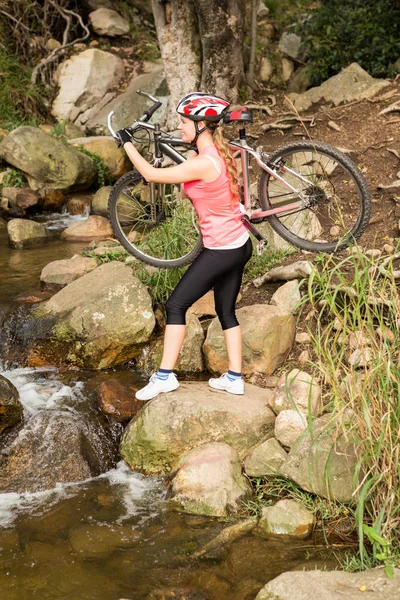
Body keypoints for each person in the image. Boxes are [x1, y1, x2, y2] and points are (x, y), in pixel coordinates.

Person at [115, 92, 252, 401]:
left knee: (176, 306)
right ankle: (234, 377)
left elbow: (149, 175)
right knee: (225, 310)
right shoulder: (213, 153)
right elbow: (184, 188)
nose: (179, 127)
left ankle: (164, 377)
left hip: (222, 249)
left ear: (201, 125)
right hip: (239, 244)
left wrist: (126, 143)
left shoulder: (204, 162)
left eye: (183, 122)